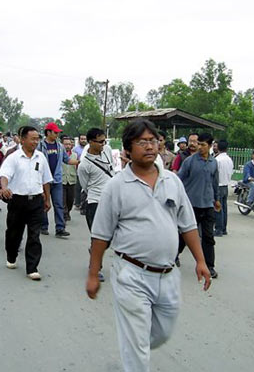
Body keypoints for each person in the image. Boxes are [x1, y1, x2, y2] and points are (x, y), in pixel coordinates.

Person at [86, 119, 211, 372]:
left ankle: (133, 349)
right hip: (131, 273)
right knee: (138, 346)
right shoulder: (116, 186)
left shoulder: (172, 181)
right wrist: (93, 274)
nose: (149, 146)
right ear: (128, 150)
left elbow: (187, 224)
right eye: (141, 142)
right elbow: (100, 235)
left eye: (152, 141)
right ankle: (134, 356)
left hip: (167, 274)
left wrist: (200, 261)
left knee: (161, 333)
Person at [0, 126, 52, 281]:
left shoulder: (41, 157)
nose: (35, 142)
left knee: (34, 235)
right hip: (17, 201)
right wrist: (4, 187)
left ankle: (32, 268)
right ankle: (11, 255)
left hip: (36, 201)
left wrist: (47, 199)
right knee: (14, 232)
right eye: (32, 138)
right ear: (22, 139)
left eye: (37, 138)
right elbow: (4, 175)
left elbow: (46, 179)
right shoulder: (14, 157)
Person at [178, 132, 221, 278]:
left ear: (209, 146)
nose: (200, 147)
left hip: (208, 204)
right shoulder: (190, 161)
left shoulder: (214, 163)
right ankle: (173, 256)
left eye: (203, 145)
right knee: (185, 235)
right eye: (199, 144)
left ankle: (210, 266)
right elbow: (179, 179)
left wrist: (217, 199)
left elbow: (215, 183)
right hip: (192, 205)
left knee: (208, 237)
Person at [77, 128, 114, 282]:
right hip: (95, 202)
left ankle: (94, 251)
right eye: (100, 142)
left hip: (112, 200)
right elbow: (85, 185)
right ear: (91, 142)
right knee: (98, 236)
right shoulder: (84, 165)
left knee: (109, 238)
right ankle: (96, 267)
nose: (103, 144)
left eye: (104, 141)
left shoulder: (107, 151)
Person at [38, 121, 79, 238]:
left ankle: (60, 228)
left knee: (59, 204)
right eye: (55, 132)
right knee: (44, 203)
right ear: (48, 132)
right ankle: (43, 226)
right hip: (43, 180)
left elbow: (67, 160)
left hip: (57, 180)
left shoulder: (60, 146)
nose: (57, 134)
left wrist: (79, 162)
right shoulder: (40, 146)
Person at [214, 139, 233, 236]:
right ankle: (224, 228)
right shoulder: (229, 159)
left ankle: (218, 229)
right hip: (226, 185)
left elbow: (215, 174)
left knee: (218, 208)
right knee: (224, 208)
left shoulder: (217, 160)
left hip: (219, 185)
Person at [62, 136, 78, 222]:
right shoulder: (59, 155)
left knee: (70, 200)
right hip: (62, 180)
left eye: (69, 144)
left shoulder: (75, 155)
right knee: (62, 200)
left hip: (72, 180)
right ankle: (64, 215)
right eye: (65, 144)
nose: (67, 146)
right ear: (62, 145)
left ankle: (68, 211)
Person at [73, 133, 88, 213]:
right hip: (78, 170)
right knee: (78, 188)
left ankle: (84, 204)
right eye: (82, 139)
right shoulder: (75, 149)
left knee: (85, 187)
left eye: (85, 139)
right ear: (79, 140)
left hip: (87, 171)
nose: (83, 140)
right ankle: (78, 203)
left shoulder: (89, 148)